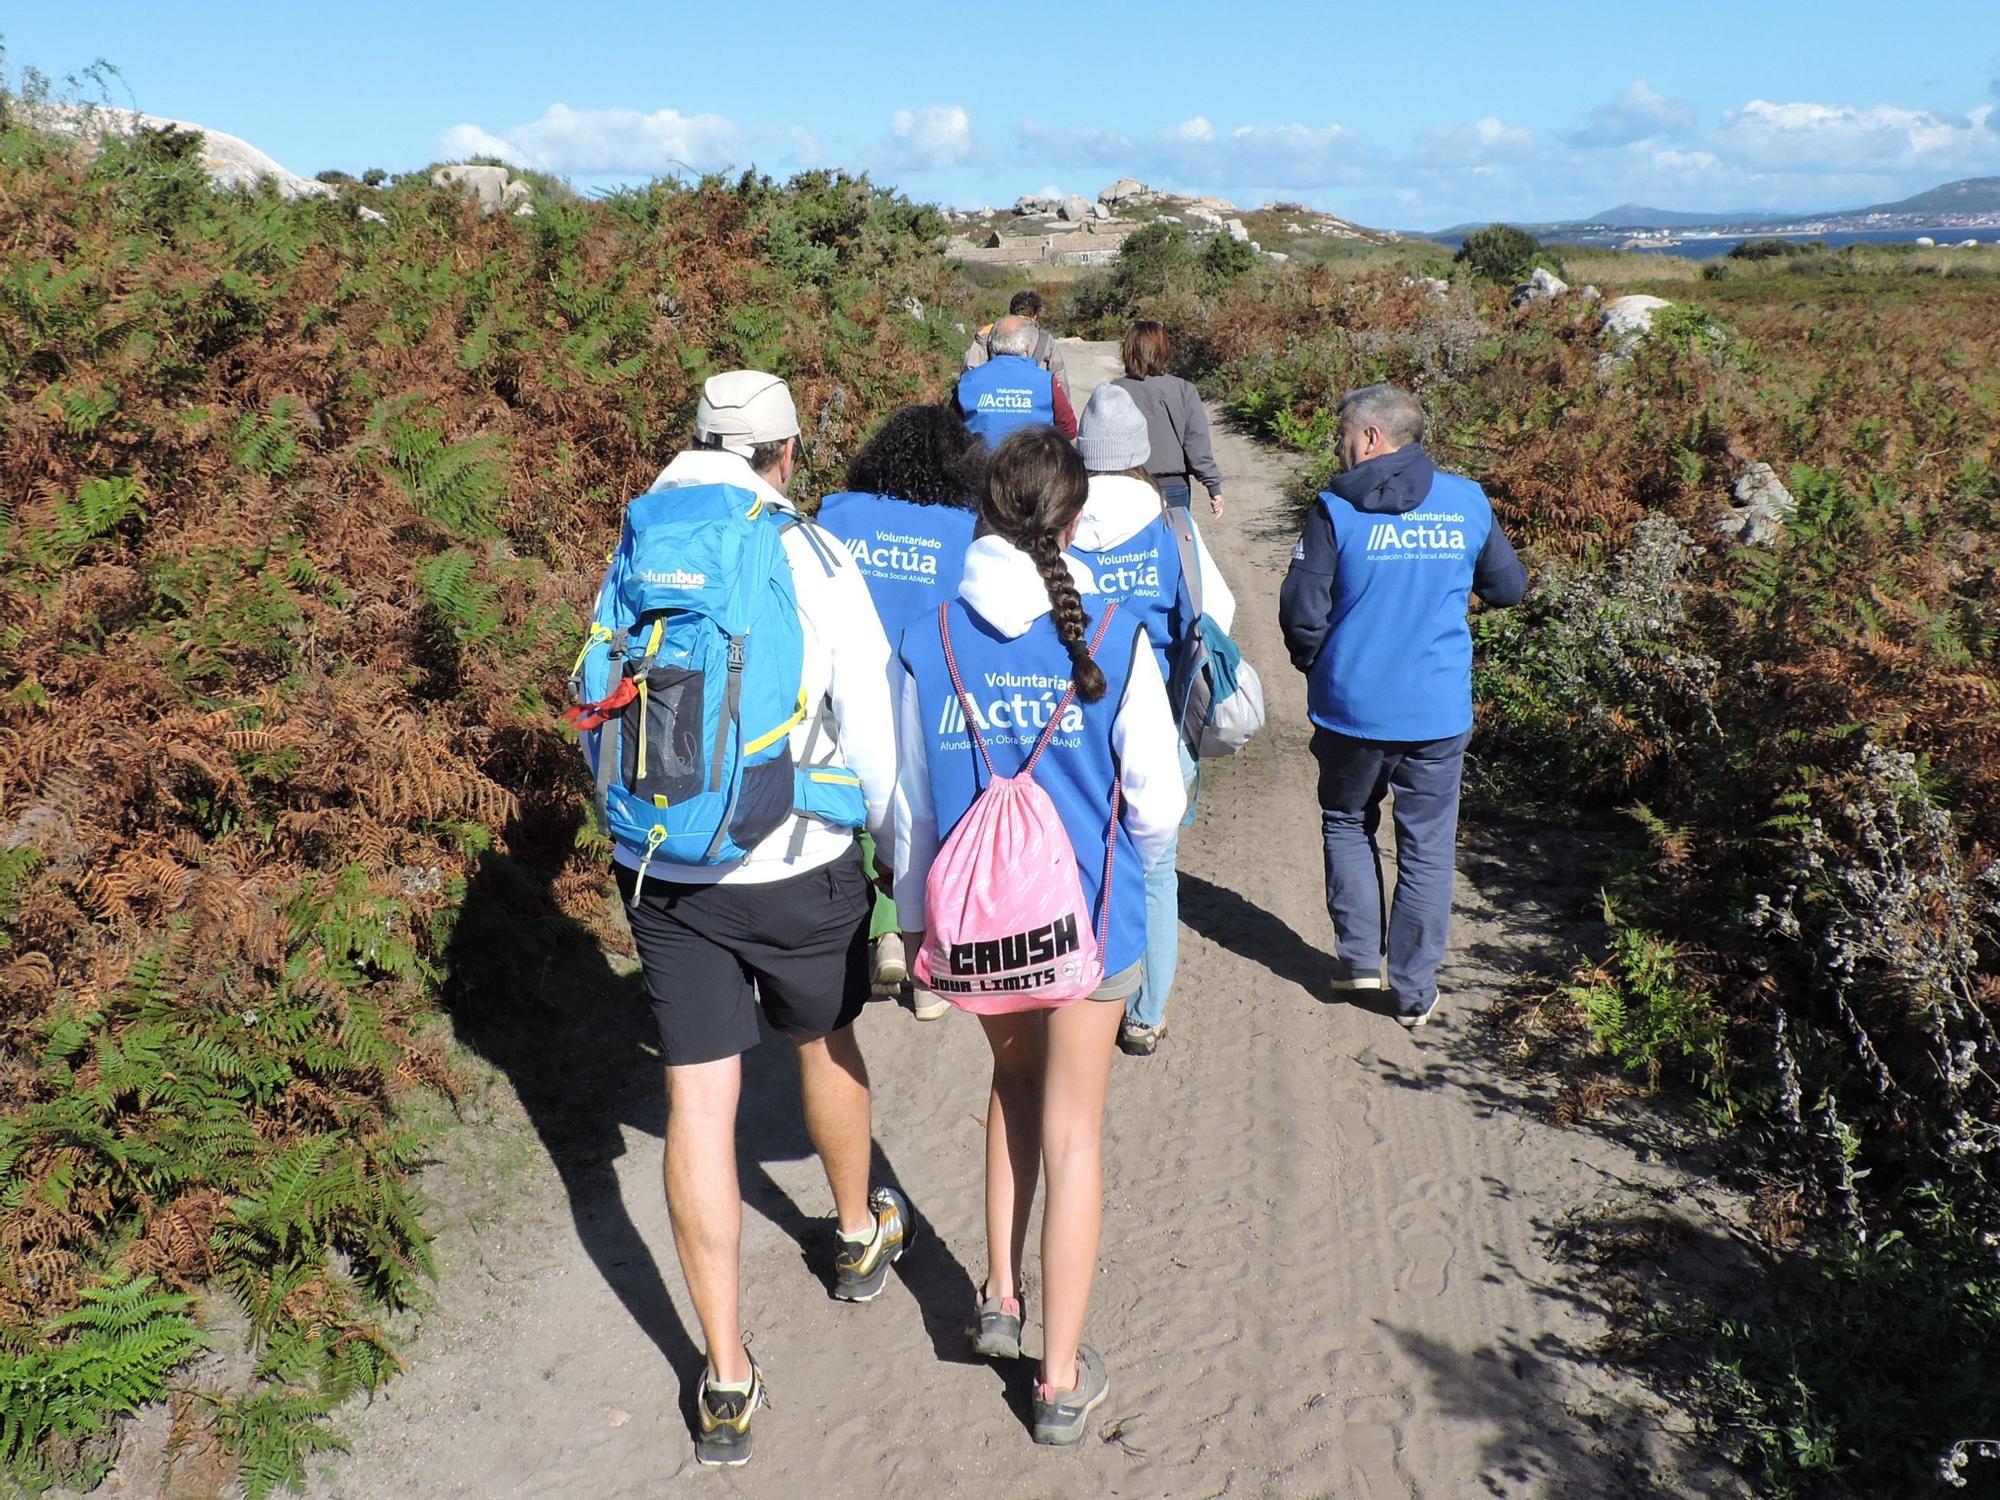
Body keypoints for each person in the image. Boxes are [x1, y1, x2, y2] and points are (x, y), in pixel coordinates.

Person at [619, 371, 910, 1467]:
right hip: (793, 857)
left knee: (698, 1098)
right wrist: (905, 874)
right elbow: (871, 727)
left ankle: (726, 1377)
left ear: (696, 439)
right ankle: (850, 1237)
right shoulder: (810, 552)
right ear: (785, 454)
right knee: (823, 1040)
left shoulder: (643, 536)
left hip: (659, 862)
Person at [892, 427, 1184, 1445]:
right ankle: (1057, 1384)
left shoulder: (929, 638)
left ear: (985, 509)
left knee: (1010, 1095)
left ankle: (999, 1300)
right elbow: (1155, 804)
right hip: (1090, 935)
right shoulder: (1108, 631)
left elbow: (910, 812)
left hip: (978, 935)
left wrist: (914, 923)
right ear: (1069, 519)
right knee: (1073, 1133)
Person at [1277, 383, 1527, 1028]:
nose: (1337, 448)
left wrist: (1323, 666)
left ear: (1370, 437)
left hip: (1352, 708)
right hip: (1437, 711)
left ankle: (1358, 958)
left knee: (1346, 819)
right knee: (1426, 849)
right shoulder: (1467, 499)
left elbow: (1303, 611)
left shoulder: (1334, 507)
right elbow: (1509, 587)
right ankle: (1414, 990)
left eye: (1341, 435)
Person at [1067, 382, 1236, 1057]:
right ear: (1141, 453)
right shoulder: (1173, 525)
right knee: (1157, 865)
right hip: (1158, 712)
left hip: (1076, 713)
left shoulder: (1062, 522)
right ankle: (1144, 1013)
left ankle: (1077, 982)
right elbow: (1212, 617)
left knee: (1082, 845)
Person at [815, 403, 985, 1020]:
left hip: (841, 685)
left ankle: (883, 933)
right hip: (927, 687)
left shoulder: (835, 515)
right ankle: (933, 967)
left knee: (860, 803)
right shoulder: (964, 527)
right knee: (924, 812)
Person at [1114, 320, 1224, 517]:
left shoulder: (1113, 391)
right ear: (1163, 350)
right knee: (1175, 544)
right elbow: (1197, 443)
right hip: (1174, 486)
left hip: (1126, 485)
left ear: (1128, 350)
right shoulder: (1183, 389)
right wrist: (1213, 486)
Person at [956, 315, 1079, 445]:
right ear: (1027, 345)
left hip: (981, 460)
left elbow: (951, 425)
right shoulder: (1047, 382)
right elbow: (1069, 429)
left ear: (992, 342)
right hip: (1032, 461)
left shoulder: (968, 380)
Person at [964, 287, 1071, 394]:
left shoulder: (987, 333)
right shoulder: (1045, 340)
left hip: (993, 399)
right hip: (1033, 402)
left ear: (1011, 311)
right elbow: (1059, 378)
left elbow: (971, 371)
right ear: (1034, 316)